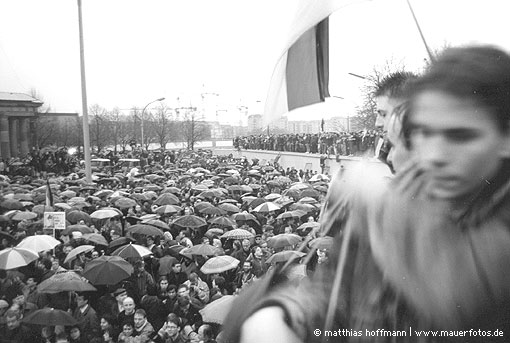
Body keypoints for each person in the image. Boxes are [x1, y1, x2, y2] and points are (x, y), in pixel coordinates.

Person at [231, 45, 510, 343]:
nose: (434, 155)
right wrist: (279, 314)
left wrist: (383, 212)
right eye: (424, 133)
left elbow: (463, 302)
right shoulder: (395, 201)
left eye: (460, 135)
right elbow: (337, 288)